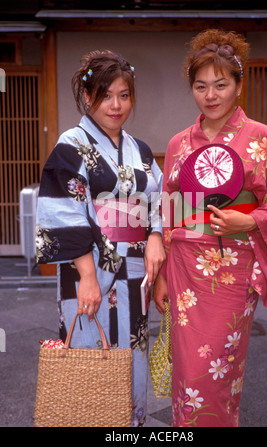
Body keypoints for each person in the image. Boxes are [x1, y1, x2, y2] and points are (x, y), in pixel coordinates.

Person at [154, 29, 267, 427]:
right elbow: (170, 212)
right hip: (185, 265)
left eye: (221, 84)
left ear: (238, 85)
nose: (211, 94)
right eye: (201, 86)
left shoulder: (261, 138)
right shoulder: (179, 144)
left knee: (217, 369)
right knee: (187, 373)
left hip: (232, 266)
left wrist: (251, 219)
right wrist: (164, 273)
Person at [36, 50, 165, 427]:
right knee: (92, 364)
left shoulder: (139, 150)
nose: (116, 105)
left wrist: (156, 234)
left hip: (136, 272)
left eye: (124, 95)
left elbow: (159, 199)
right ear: (88, 96)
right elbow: (64, 211)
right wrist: (88, 278)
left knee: (132, 358)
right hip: (90, 272)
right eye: (106, 95)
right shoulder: (71, 145)